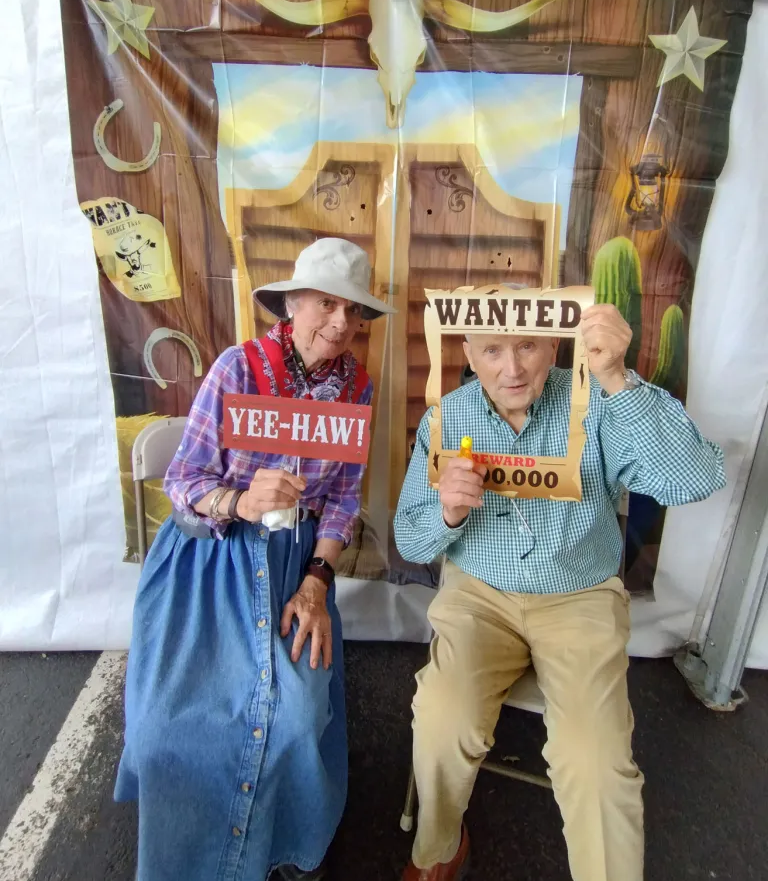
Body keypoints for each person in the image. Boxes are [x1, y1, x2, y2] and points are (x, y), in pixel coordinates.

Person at [394, 302, 726, 881]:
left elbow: (697, 477)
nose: (512, 369)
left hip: (579, 595)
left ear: (554, 347)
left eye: (527, 346)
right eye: (492, 350)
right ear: (468, 355)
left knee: (595, 761)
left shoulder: (596, 403)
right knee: (443, 718)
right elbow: (411, 541)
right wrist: (445, 514)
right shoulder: (446, 418)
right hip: (480, 595)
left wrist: (618, 379)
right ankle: (439, 846)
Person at [115, 238, 395, 881]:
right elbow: (183, 482)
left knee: (295, 717)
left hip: (295, 569)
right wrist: (239, 501)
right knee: (167, 728)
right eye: (326, 304)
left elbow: (343, 503)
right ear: (292, 303)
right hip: (209, 563)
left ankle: (283, 848)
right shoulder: (237, 370)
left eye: (354, 312)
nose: (341, 324)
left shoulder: (357, 386)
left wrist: (317, 584)